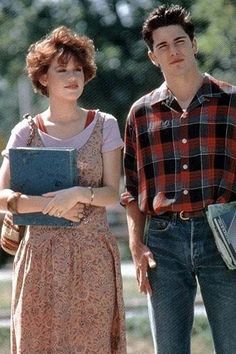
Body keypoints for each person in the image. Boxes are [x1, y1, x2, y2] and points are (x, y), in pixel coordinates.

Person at [0, 26, 126, 354]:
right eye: (62, 69)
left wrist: (78, 194)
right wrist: (51, 204)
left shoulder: (105, 124)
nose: (73, 77)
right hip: (38, 260)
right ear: (43, 78)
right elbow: (1, 196)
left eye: (78, 69)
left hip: (92, 257)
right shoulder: (24, 131)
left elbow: (113, 193)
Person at [122, 4, 236, 354]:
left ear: (194, 45)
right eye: (163, 46)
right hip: (163, 243)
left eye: (180, 41)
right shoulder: (141, 113)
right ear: (152, 56)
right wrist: (136, 245)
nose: (173, 51)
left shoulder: (231, 101)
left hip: (224, 237)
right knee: (169, 349)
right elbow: (131, 190)